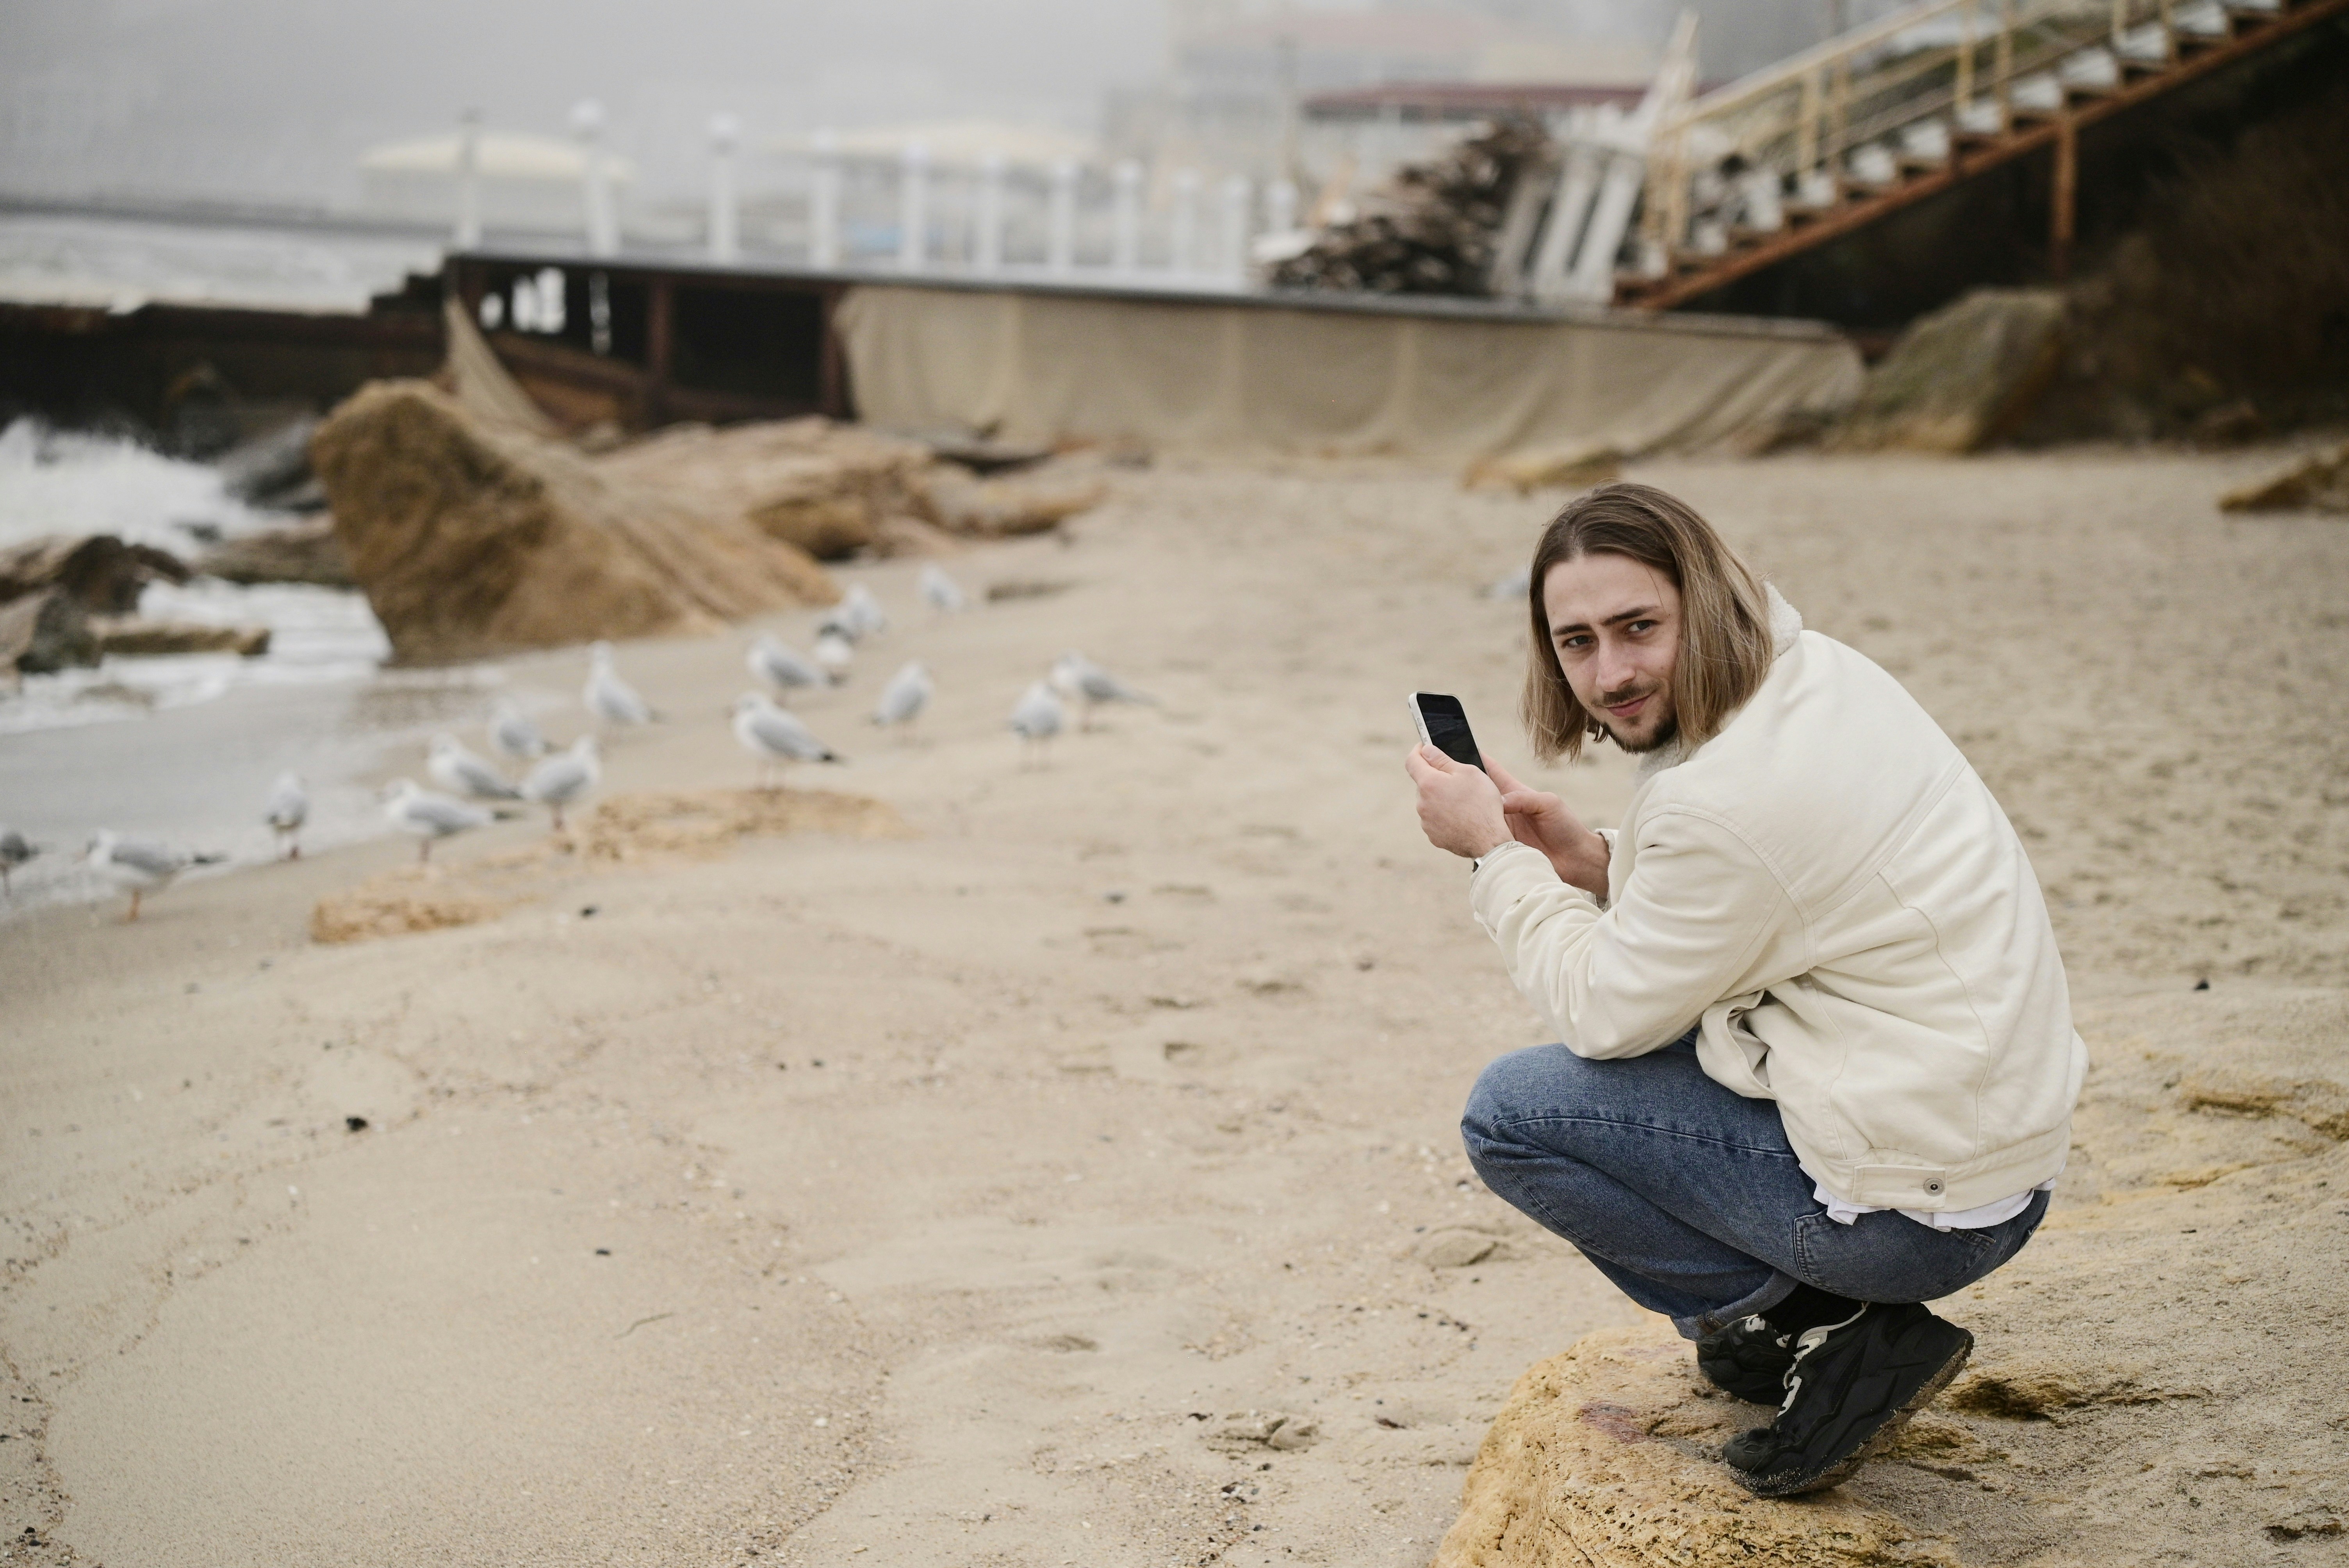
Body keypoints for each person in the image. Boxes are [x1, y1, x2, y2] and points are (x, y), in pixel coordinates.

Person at [1405, 483, 2084, 1498]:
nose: (1612, 672)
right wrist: (1596, 859)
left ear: (1704, 600)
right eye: (1578, 642)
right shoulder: (1815, 676)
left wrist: (1494, 860)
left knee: (1513, 1114)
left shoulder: (1718, 798)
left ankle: (1831, 1326)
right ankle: (1817, 1320)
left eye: (1639, 627)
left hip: (1922, 1217)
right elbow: (1772, 894)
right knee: (1631, 1056)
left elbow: (1599, 1013)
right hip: (1994, 1150)